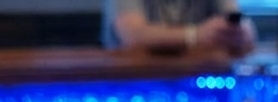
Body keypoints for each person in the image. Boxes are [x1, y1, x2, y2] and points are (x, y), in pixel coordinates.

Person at [108, 0, 256, 55]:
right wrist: (196, 35)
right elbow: (132, 34)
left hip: (200, 87)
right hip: (133, 88)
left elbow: (246, 32)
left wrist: (238, 32)